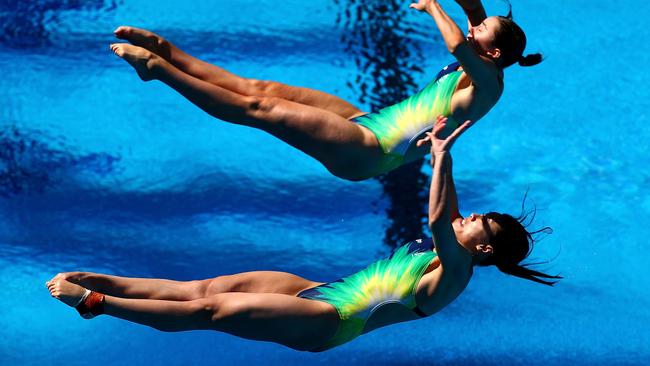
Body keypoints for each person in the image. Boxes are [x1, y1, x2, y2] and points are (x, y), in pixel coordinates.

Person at [46, 116, 560, 352]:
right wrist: (441, 159)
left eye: (478, 223)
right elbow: (445, 215)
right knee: (203, 290)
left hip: (328, 322)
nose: (467, 218)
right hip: (315, 291)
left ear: (484, 248)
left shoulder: (455, 275)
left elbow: (435, 222)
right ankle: (107, 282)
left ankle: (95, 302)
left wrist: (443, 157)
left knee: (210, 312)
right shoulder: (455, 247)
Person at [108, 0, 541, 180]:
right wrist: (470, 9)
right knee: (263, 88)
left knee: (261, 108)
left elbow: (453, 40)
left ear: (495, 50)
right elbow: (474, 12)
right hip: (367, 122)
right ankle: (171, 53)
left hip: (371, 150)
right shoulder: (483, 54)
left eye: (481, 30)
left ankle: (158, 71)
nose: (473, 29)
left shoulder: (487, 82)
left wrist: (432, 6)